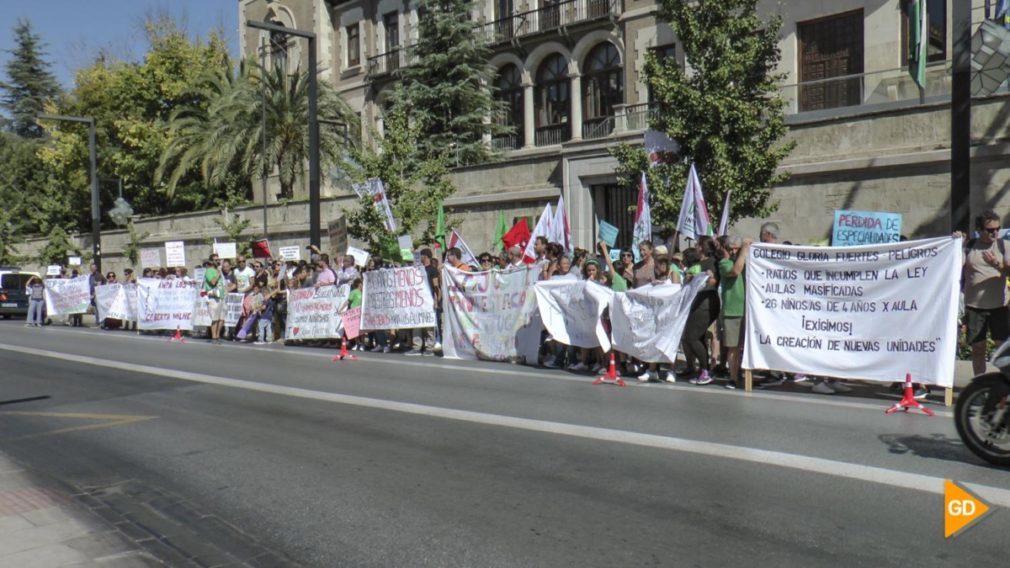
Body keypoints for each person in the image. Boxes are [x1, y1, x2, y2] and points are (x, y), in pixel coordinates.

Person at [962, 209, 1010, 376]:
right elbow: (952, 265)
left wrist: (997, 264)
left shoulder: (1004, 245)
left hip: (999, 306)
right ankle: (979, 385)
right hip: (974, 306)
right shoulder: (969, 247)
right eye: (990, 230)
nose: (995, 232)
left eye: (998, 228)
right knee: (978, 347)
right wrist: (955, 240)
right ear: (979, 229)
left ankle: (1006, 386)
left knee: (1002, 348)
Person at [716, 236, 750, 390]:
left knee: (746, 346)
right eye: (732, 248)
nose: (734, 251)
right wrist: (744, 251)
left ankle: (743, 373)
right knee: (733, 347)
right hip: (732, 311)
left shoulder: (746, 262)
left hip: (748, 311)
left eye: (737, 248)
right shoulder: (724, 263)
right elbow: (735, 271)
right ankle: (733, 377)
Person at [407, 249, 440, 356]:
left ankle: (429, 348)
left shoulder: (433, 270)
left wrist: (436, 300)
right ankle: (417, 347)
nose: (419, 257)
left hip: (428, 301)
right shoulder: (417, 269)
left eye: (421, 255)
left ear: (425, 256)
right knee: (417, 324)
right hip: (417, 302)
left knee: (429, 326)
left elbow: (436, 286)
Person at [203, 259, 226, 344]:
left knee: (222, 318)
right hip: (214, 298)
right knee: (215, 318)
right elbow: (213, 282)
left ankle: (218, 335)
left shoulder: (218, 270)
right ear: (211, 262)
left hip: (221, 297)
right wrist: (219, 273)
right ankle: (214, 337)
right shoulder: (209, 271)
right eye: (216, 260)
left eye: (218, 260)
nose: (218, 261)